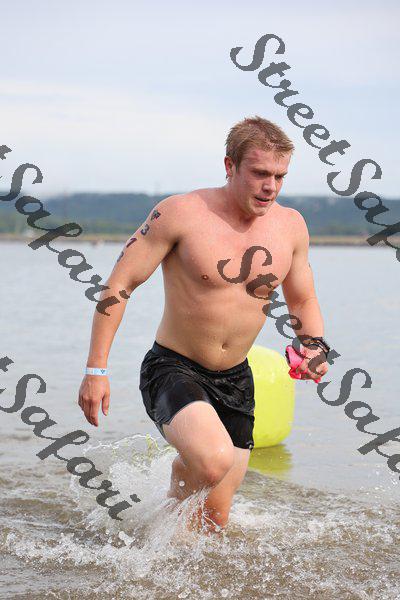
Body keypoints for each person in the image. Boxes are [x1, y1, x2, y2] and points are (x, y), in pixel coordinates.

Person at [78, 115, 330, 534]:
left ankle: (155, 545)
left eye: (280, 176)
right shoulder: (180, 213)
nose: (270, 186)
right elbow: (119, 285)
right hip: (173, 368)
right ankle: (172, 491)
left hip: (236, 378)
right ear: (230, 165)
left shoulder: (291, 227)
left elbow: (302, 298)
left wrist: (315, 345)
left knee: (213, 523)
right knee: (213, 462)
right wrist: (95, 370)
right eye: (260, 173)